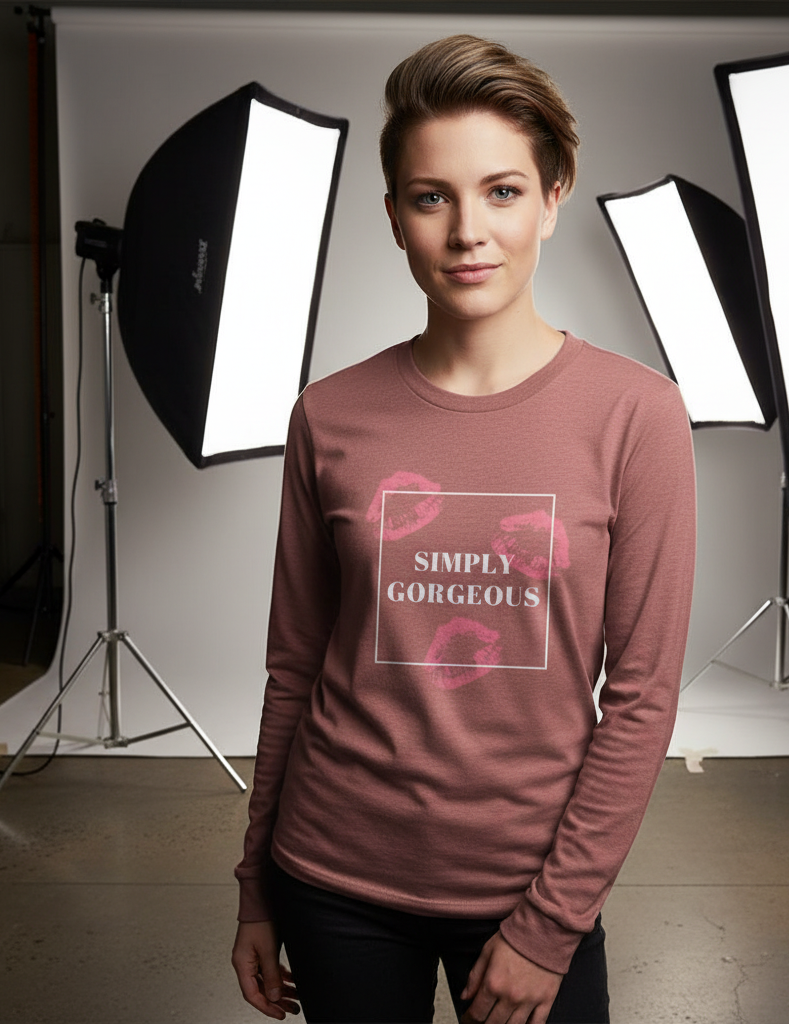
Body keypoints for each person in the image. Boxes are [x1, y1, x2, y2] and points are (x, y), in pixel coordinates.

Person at [231, 34, 696, 1024]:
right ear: (394, 215)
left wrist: (548, 925)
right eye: (430, 196)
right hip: (331, 871)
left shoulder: (636, 414)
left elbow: (645, 697)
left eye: (502, 191)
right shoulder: (329, 413)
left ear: (552, 196)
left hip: (528, 887)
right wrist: (254, 888)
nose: (466, 232)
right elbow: (294, 664)